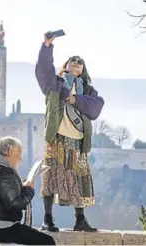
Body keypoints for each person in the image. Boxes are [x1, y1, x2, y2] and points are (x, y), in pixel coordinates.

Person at [35, 32, 105, 232]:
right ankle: (48, 219)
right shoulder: (54, 84)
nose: (75, 62)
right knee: (50, 177)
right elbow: (43, 69)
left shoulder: (88, 91)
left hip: (79, 141)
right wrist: (47, 46)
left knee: (79, 178)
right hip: (56, 139)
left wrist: (78, 100)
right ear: (65, 66)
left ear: (83, 69)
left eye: (79, 61)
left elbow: (96, 107)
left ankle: (80, 219)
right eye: (72, 61)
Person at [0, 136, 56, 245]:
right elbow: (16, 206)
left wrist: (19, 185)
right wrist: (29, 189)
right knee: (47, 241)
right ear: (9, 151)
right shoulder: (6, 174)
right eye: (19, 153)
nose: (20, 159)